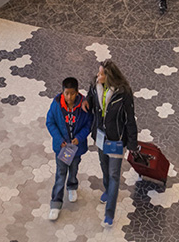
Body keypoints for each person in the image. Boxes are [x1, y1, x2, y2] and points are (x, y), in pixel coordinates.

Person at [87, 60, 138, 228]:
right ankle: (108, 190)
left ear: (109, 77)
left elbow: (130, 119)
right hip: (100, 137)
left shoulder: (124, 93)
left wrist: (132, 143)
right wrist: (86, 102)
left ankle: (109, 213)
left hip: (116, 139)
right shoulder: (95, 86)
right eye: (99, 72)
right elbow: (90, 98)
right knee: (103, 165)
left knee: (114, 174)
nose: (98, 76)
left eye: (101, 74)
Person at [45, 77, 92, 220]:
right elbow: (50, 122)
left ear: (77, 93)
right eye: (66, 93)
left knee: (74, 168)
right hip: (62, 148)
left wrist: (80, 137)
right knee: (60, 174)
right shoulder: (56, 105)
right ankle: (55, 203)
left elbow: (89, 124)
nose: (69, 97)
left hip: (76, 148)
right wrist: (59, 140)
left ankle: (72, 186)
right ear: (62, 92)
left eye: (72, 93)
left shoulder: (83, 106)